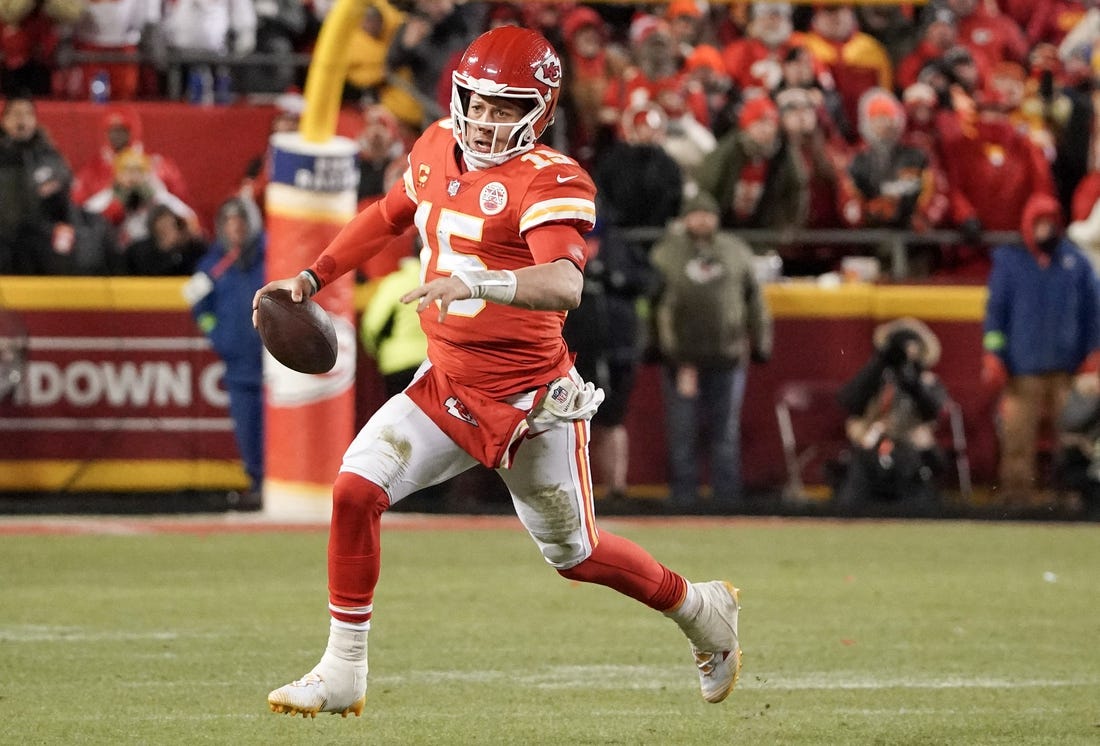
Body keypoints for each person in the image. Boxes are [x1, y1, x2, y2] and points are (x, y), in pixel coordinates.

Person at [256, 27, 742, 719]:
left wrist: (483, 284)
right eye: (476, 102)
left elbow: (565, 284)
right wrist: (312, 274)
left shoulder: (552, 178)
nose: (485, 119)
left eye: (506, 107)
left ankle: (700, 609)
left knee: (577, 556)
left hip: (529, 399)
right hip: (447, 381)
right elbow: (390, 214)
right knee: (354, 490)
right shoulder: (431, 147)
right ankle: (343, 669)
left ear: (539, 112)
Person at [650, 191, 772, 510]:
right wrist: (651, 346)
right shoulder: (666, 253)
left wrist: (762, 342)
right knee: (682, 432)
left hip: (728, 356)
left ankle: (726, 501)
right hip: (681, 360)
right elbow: (651, 303)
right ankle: (683, 499)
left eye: (707, 214)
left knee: (725, 434)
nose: (702, 220)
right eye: (696, 214)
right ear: (685, 218)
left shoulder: (735, 251)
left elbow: (755, 301)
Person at [981, 193, 1100, 508]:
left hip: (1066, 371)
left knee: (1074, 439)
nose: (1045, 231)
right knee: (1017, 438)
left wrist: (1093, 356)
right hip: (1022, 370)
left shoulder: (1076, 264)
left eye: (1050, 224)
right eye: (1040, 224)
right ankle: (1017, 496)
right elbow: (996, 314)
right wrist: (994, 355)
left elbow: (1093, 313)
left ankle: (1071, 495)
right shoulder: (1010, 263)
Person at [185, 197, 266, 510]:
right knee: (247, 430)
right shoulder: (214, 264)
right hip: (239, 365)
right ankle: (257, 483)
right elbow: (198, 305)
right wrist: (217, 335)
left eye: (242, 223)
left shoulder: (271, 255)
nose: (235, 230)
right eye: (229, 223)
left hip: (277, 365)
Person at [834, 317, 948, 515]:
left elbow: (932, 410)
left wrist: (911, 381)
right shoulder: (875, 380)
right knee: (851, 500)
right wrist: (880, 363)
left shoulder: (927, 382)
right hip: (871, 452)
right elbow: (850, 401)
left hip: (911, 454)